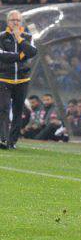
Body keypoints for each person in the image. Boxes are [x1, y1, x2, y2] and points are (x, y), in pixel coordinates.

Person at [0, 10, 37, 149]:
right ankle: (2, 139)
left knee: (18, 111)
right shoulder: (1, 37)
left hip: (22, 80)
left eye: (18, 20)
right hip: (3, 78)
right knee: (3, 109)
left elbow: (33, 52)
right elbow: (3, 56)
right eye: (12, 20)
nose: (15, 22)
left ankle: (12, 141)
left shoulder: (27, 36)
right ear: (7, 22)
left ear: (21, 22)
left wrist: (19, 38)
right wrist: (21, 55)